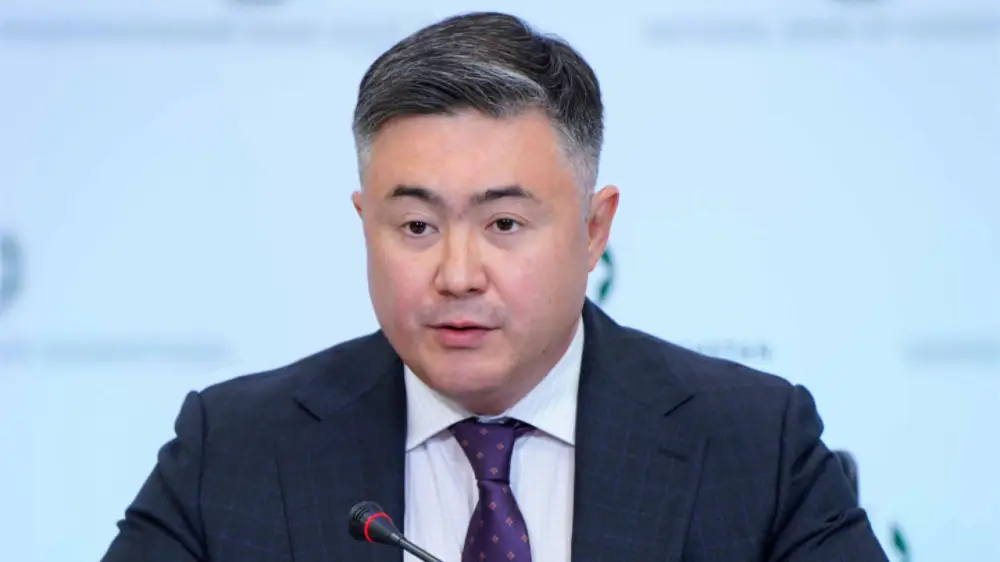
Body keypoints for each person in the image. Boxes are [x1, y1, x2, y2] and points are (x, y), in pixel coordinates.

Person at [102, 11, 889, 562]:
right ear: (365, 222)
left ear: (594, 230)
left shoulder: (753, 446)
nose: (456, 275)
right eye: (416, 226)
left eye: (504, 224)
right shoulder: (233, 451)